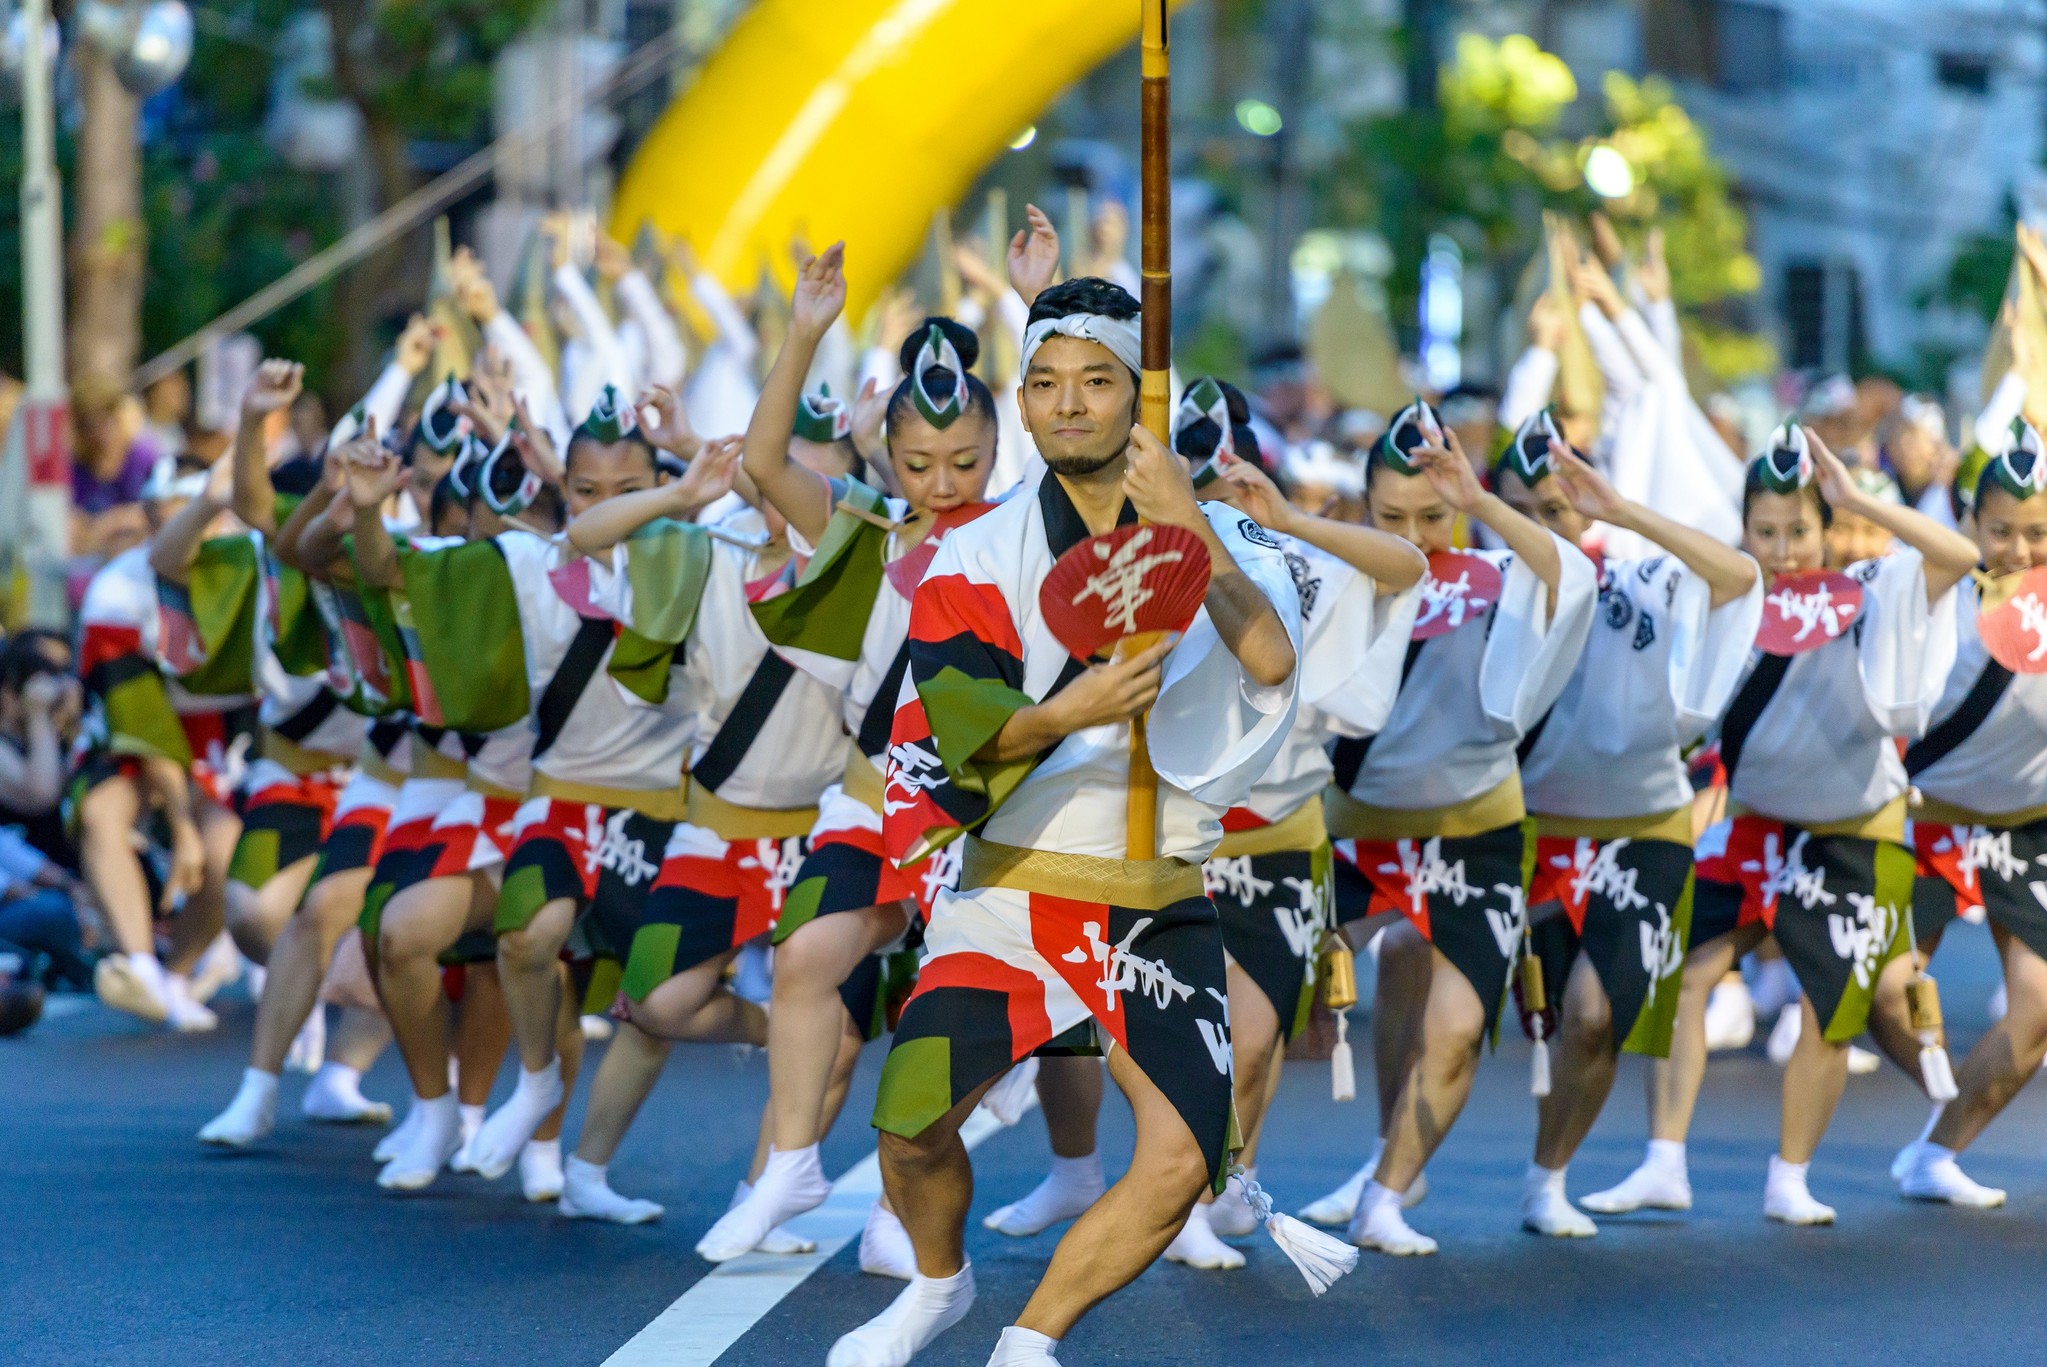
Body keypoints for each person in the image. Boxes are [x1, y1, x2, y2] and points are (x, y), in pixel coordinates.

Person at [828, 276, 1301, 1367]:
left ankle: (1031, 1337)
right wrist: (1066, 710)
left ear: (1136, 394)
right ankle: (938, 1286)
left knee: (1183, 1158)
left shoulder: (1208, 526)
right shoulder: (975, 552)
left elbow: (1269, 660)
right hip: (1015, 883)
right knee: (908, 1122)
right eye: (1045, 384)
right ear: (1023, 404)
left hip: (1151, 891)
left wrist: (1191, 530)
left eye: (1096, 382)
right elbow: (955, 731)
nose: (1069, 405)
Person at [1584, 424, 1977, 1226]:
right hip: (1755, 828)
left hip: (1853, 834)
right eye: (1764, 530)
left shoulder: (1870, 587)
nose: (1783, 547)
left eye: (1798, 530)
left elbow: (1957, 558)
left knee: (1830, 1009)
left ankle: (1791, 1175)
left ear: (1826, 529)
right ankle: (1663, 1162)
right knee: (1684, 973)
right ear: (1742, 531)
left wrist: (1858, 498)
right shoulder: (1730, 594)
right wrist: (1621, 510)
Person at [696, 246, 1001, 1274]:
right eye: (920, 463)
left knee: (948, 1023)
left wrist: (1031, 304)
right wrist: (804, 330)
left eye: (965, 461)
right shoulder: (863, 529)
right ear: (887, 456)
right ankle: (788, 1163)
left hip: (982, 821)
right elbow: (766, 459)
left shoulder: (1023, 536)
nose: (944, 482)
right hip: (872, 799)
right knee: (804, 959)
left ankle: (903, 1201)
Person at [1303, 400, 1596, 1256]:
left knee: (1460, 1025)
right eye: (1390, 517)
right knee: (1274, 1007)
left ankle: (1388, 1193)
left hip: (1475, 833)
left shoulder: (1500, 574)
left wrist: (1481, 496)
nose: (1415, 534)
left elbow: (1568, 574)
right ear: (1362, 511)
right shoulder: (1340, 571)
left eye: (1433, 516)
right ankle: (1218, 1192)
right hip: (1356, 831)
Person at [1157, 378, 1426, 1268]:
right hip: (1183, 833)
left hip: (1279, 836)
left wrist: (1292, 521)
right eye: (1206, 480)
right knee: (1221, 1029)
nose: (1224, 496)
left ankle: (1228, 1174)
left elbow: (1404, 568)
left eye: (1239, 480)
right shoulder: (1151, 551)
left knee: (1265, 1035)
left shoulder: (1296, 558)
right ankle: (1178, 1193)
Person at [1489, 412, 1762, 1236]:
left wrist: (1625, 513)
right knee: (1440, 989)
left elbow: (1736, 579)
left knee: (1594, 1014)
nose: (1542, 527)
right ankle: (1388, 1172)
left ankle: (1548, 1174)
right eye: (1518, 510)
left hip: (1642, 831)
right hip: (1529, 833)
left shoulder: (1638, 582)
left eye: (1556, 507)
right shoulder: (1477, 589)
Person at [1864, 426, 2047, 1206]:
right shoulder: (1927, 590)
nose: (2015, 548)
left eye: (2037, 533)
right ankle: (1938, 1082)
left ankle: (1936, 1153)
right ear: (1968, 523)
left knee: (2037, 1007)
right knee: (1883, 990)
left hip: (2026, 827)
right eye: (1999, 529)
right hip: (1926, 816)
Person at [75, 457, 250, 1029]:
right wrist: (179, 825)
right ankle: (141, 964)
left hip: (226, 732)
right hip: (135, 729)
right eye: (165, 519)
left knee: (225, 852)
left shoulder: (252, 570)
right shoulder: (117, 589)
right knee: (102, 813)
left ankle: (183, 968)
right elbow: (139, 721)